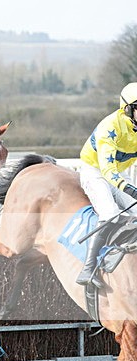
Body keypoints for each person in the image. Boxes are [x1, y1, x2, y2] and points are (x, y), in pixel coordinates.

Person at [76, 82, 137, 286]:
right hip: (95, 170)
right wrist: (130, 190)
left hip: (117, 172)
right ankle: (89, 267)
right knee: (110, 213)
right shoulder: (110, 127)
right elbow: (108, 170)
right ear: (128, 109)